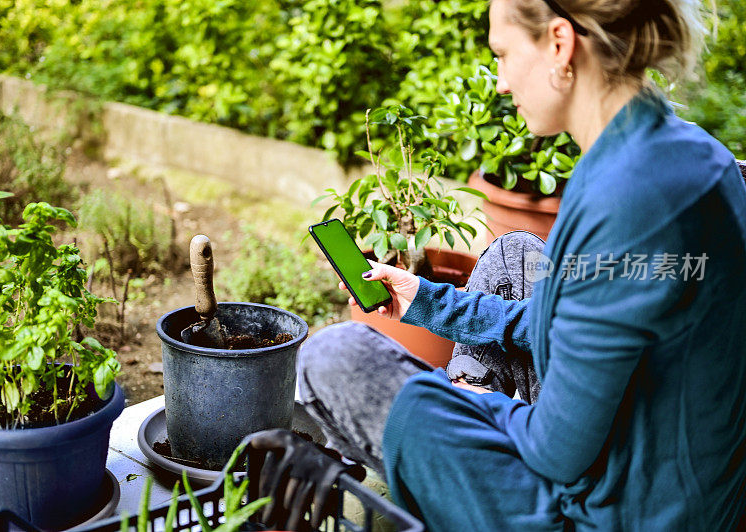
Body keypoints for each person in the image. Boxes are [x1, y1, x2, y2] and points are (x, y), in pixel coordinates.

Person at [298, 0, 746, 530]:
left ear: (560, 43)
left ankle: (449, 461)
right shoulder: (689, 151)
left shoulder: (627, 199)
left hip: (617, 510)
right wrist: (426, 300)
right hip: (666, 461)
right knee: (515, 254)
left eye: (504, 55)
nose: (502, 83)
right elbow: (580, 318)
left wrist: (467, 402)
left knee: (335, 355)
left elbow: (558, 454)